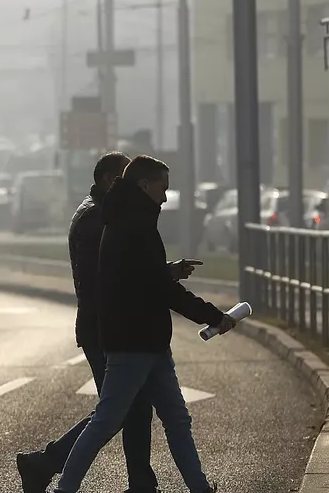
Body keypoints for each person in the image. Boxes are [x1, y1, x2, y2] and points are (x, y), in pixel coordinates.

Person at [53, 155, 236, 493]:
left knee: (176, 418)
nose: (165, 197)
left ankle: (200, 488)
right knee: (106, 421)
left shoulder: (128, 219)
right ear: (144, 185)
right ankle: (64, 488)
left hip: (149, 342)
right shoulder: (132, 225)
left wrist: (167, 275)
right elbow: (159, 288)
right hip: (132, 342)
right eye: (162, 188)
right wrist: (213, 316)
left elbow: (143, 277)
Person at [16, 152, 159, 493]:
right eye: (125, 178)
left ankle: (140, 483)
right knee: (119, 409)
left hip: (101, 326)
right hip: (104, 329)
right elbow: (113, 275)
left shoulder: (95, 211)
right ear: (110, 180)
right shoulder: (98, 218)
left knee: (131, 407)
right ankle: (45, 463)